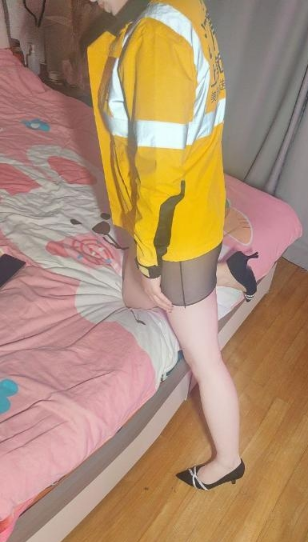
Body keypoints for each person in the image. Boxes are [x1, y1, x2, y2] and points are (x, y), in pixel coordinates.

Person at [86, 0, 258, 489]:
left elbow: (159, 173)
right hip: (195, 205)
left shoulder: (156, 37)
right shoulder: (179, 9)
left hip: (175, 234)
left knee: (205, 359)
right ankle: (220, 275)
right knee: (133, 294)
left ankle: (228, 461)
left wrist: (149, 259)